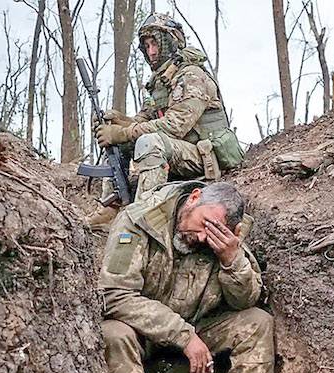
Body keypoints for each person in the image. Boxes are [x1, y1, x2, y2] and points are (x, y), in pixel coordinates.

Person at [99, 181, 275, 373]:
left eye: (215, 232)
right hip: (143, 332)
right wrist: (183, 335)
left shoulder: (225, 238)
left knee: (258, 322)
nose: (204, 237)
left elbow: (246, 301)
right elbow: (114, 294)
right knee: (113, 334)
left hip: (199, 325)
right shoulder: (139, 220)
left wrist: (231, 259)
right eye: (205, 223)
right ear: (194, 198)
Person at [87, 13, 244, 231]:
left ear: (171, 42)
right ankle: (110, 207)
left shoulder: (191, 75)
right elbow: (145, 119)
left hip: (205, 157)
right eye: (147, 46)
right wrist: (119, 122)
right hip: (178, 151)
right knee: (123, 142)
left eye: (155, 44)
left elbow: (175, 126)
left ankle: (144, 216)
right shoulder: (160, 82)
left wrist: (123, 132)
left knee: (150, 142)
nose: (151, 52)